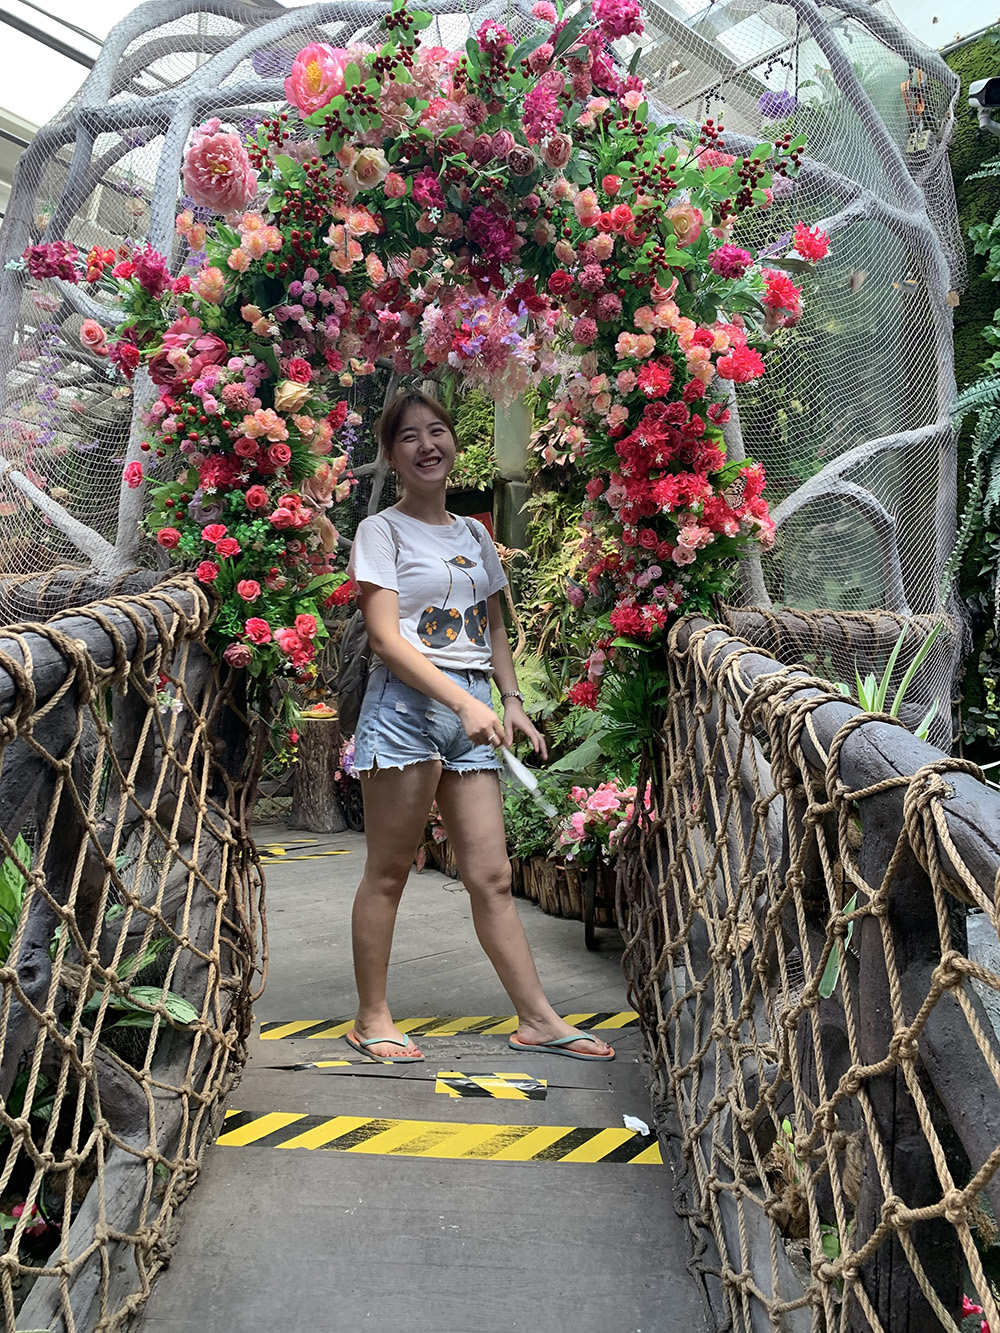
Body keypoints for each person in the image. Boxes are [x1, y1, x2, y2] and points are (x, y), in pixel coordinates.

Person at [344, 389, 615, 1064]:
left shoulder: (473, 533)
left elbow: (492, 626)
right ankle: (371, 1017)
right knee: (389, 871)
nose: (427, 444)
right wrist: (462, 703)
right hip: (406, 707)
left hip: (474, 704)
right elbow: (385, 638)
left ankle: (538, 1019)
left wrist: (510, 698)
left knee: (492, 875)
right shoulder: (381, 531)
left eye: (437, 430)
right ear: (392, 454)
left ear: (453, 443)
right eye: (410, 436)